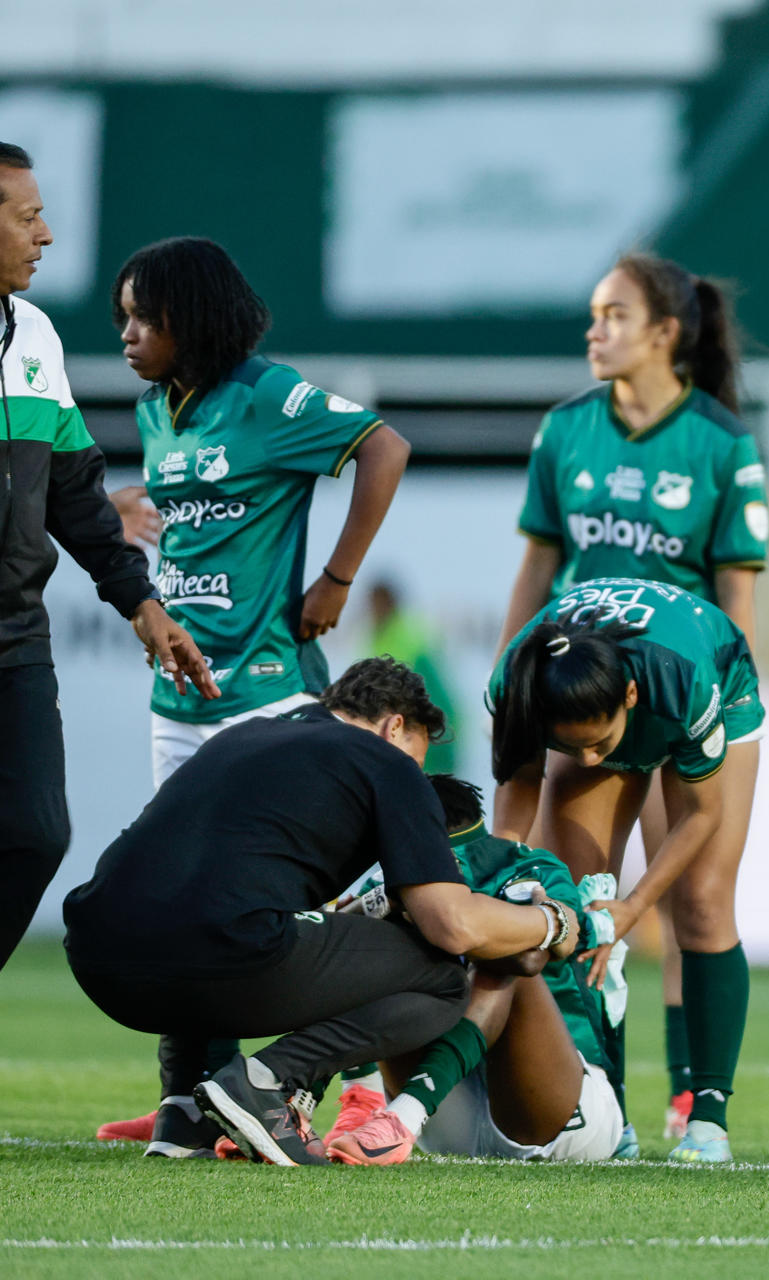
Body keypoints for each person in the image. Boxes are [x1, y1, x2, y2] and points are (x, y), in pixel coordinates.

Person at [91, 236, 412, 1150]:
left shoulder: (269, 395)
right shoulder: (157, 410)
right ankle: (189, 1103)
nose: (126, 334)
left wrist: (338, 578)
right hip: (177, 705)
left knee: (299, 899)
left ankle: (324, 1089)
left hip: (266, 695)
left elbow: (384, 448)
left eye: (142, 317)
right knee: (182, 902)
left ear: (190, 316)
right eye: (121, 317)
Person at [62, 658, 577, 1166]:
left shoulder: (240, 737)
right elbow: (453, 925)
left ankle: (182, 1111)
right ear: (394, 727)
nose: (418, 776)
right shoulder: (389, 763)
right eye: (418, 759)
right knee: (442, 979)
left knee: (213, 908)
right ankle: (266, 1082)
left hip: (96, 954)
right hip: (219, 951)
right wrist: (552, 921)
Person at [496, 252, 767, 1142]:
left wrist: (720, 709)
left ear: (665, 333)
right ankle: (603, 1107)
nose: (595, 331)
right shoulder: (566, 429)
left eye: (614, 315)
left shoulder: (721, 442)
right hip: (583, 690)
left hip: (685, 689)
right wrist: (517, 683)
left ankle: (699, 1108)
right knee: (581, 898)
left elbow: (737, 595)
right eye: (593, 314)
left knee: (696, 902)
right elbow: (538, 566)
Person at [0, 143, 216, 975]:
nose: (46, 235)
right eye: (28, 217)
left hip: (15, 639)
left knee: (35, 832)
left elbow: (74, 491)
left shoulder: (35, 336)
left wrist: (142, 602)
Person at [490, 576, 763, 1163]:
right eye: (573, 749)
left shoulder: (682, 678)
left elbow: (702, 813)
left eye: (600, 743)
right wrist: (504, 868)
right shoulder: (519, 683)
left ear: (630, 697)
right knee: (575, 910)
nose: (591, 761)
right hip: (601, 692)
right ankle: (608, 1113)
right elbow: (518, 790)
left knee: (702, 904)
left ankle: (708, 1118)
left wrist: (635, 908)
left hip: (713, 678)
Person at [326, 776, 623, 1165]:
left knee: (504, 958)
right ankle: (356, 1103)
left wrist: (439, 924)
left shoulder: (529, 865)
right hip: (447, 1110)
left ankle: (403, 1114)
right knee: (364, 948)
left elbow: (529, 961)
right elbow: (335, 955)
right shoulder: (387, 879)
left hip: (553, 1115)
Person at [367, 579, 459, 773]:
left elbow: (435, 698)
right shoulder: (372, 638)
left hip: (424, 741)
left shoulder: (412, 639)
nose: (374, 610)